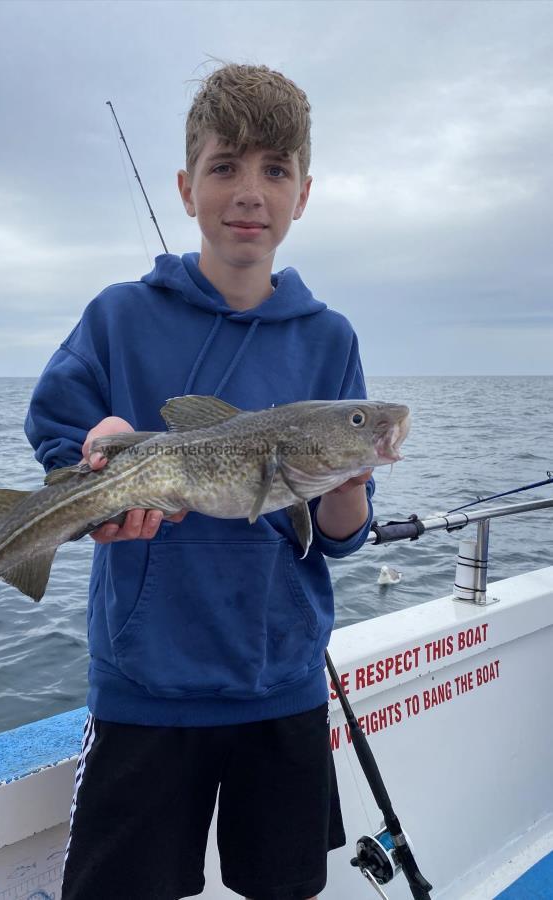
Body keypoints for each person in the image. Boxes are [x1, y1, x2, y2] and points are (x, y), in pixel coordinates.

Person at [25, 63, 374, 900]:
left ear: (303, 193)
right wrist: (90, 448)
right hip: (146, 686)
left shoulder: (329, 341)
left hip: (280, 679)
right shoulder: (119, 315)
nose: (249, 192)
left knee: (280, 887)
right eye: (225, 167)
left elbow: (339, 534)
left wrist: (350, 478)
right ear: (186, 188)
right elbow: (58, 425)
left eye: (274, 170)